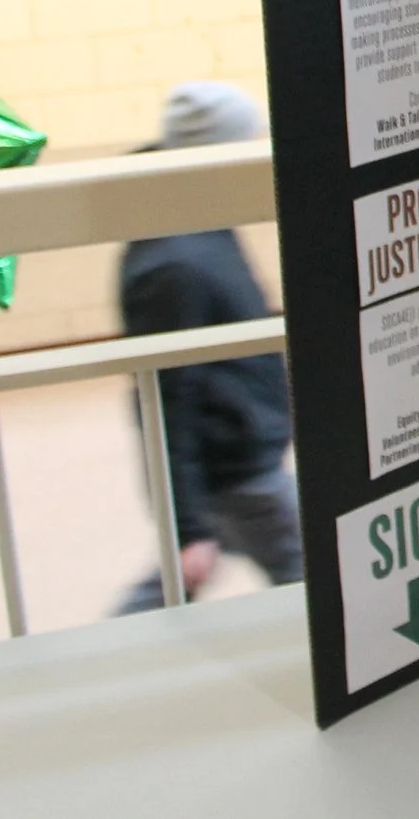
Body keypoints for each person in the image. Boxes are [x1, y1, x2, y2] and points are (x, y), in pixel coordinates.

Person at [112, 82, 301, 614]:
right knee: (323, 574)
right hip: (235, 473)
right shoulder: (175, 262)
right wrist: (186, 525)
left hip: (241, 458)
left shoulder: (196, 217)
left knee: (173, 586)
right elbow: (166, 399)